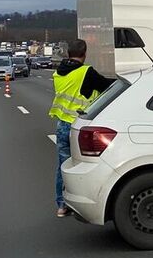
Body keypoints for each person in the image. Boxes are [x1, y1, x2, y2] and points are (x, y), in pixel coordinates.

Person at [49, 39, 114, 217]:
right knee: (86, 166)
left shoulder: (58, 72)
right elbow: (107, 86)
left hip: (62, 124)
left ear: (68, 53)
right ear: (84, 53)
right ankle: (86, 203)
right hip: (79, 126)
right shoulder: (86, 72)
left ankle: (62, 206)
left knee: (63, 166)